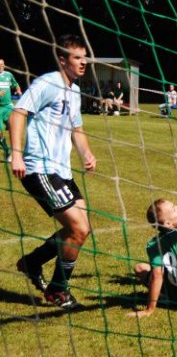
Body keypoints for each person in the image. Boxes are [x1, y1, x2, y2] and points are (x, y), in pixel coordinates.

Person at [10, 34, 97, 310]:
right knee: (78, 228)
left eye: (84, 57)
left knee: (81, 230)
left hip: (62, 171)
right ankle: (58, 291)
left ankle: (32, 263)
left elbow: (77, 130)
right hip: (40, 168)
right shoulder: (47, 83)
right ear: (63, 60)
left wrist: (86, 154)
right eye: (77, 57)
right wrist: (16, 153)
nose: (83, 63)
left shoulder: (74, 91)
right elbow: (18, 112)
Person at [0, 58, 22, 161]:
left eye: (2, 65)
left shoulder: (8, 75)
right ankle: (7, 150)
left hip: (8, 106)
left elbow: (15, 84)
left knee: (14, 128)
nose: (1, 66)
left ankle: (17, 154)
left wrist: (18, 91)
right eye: (0, 65)